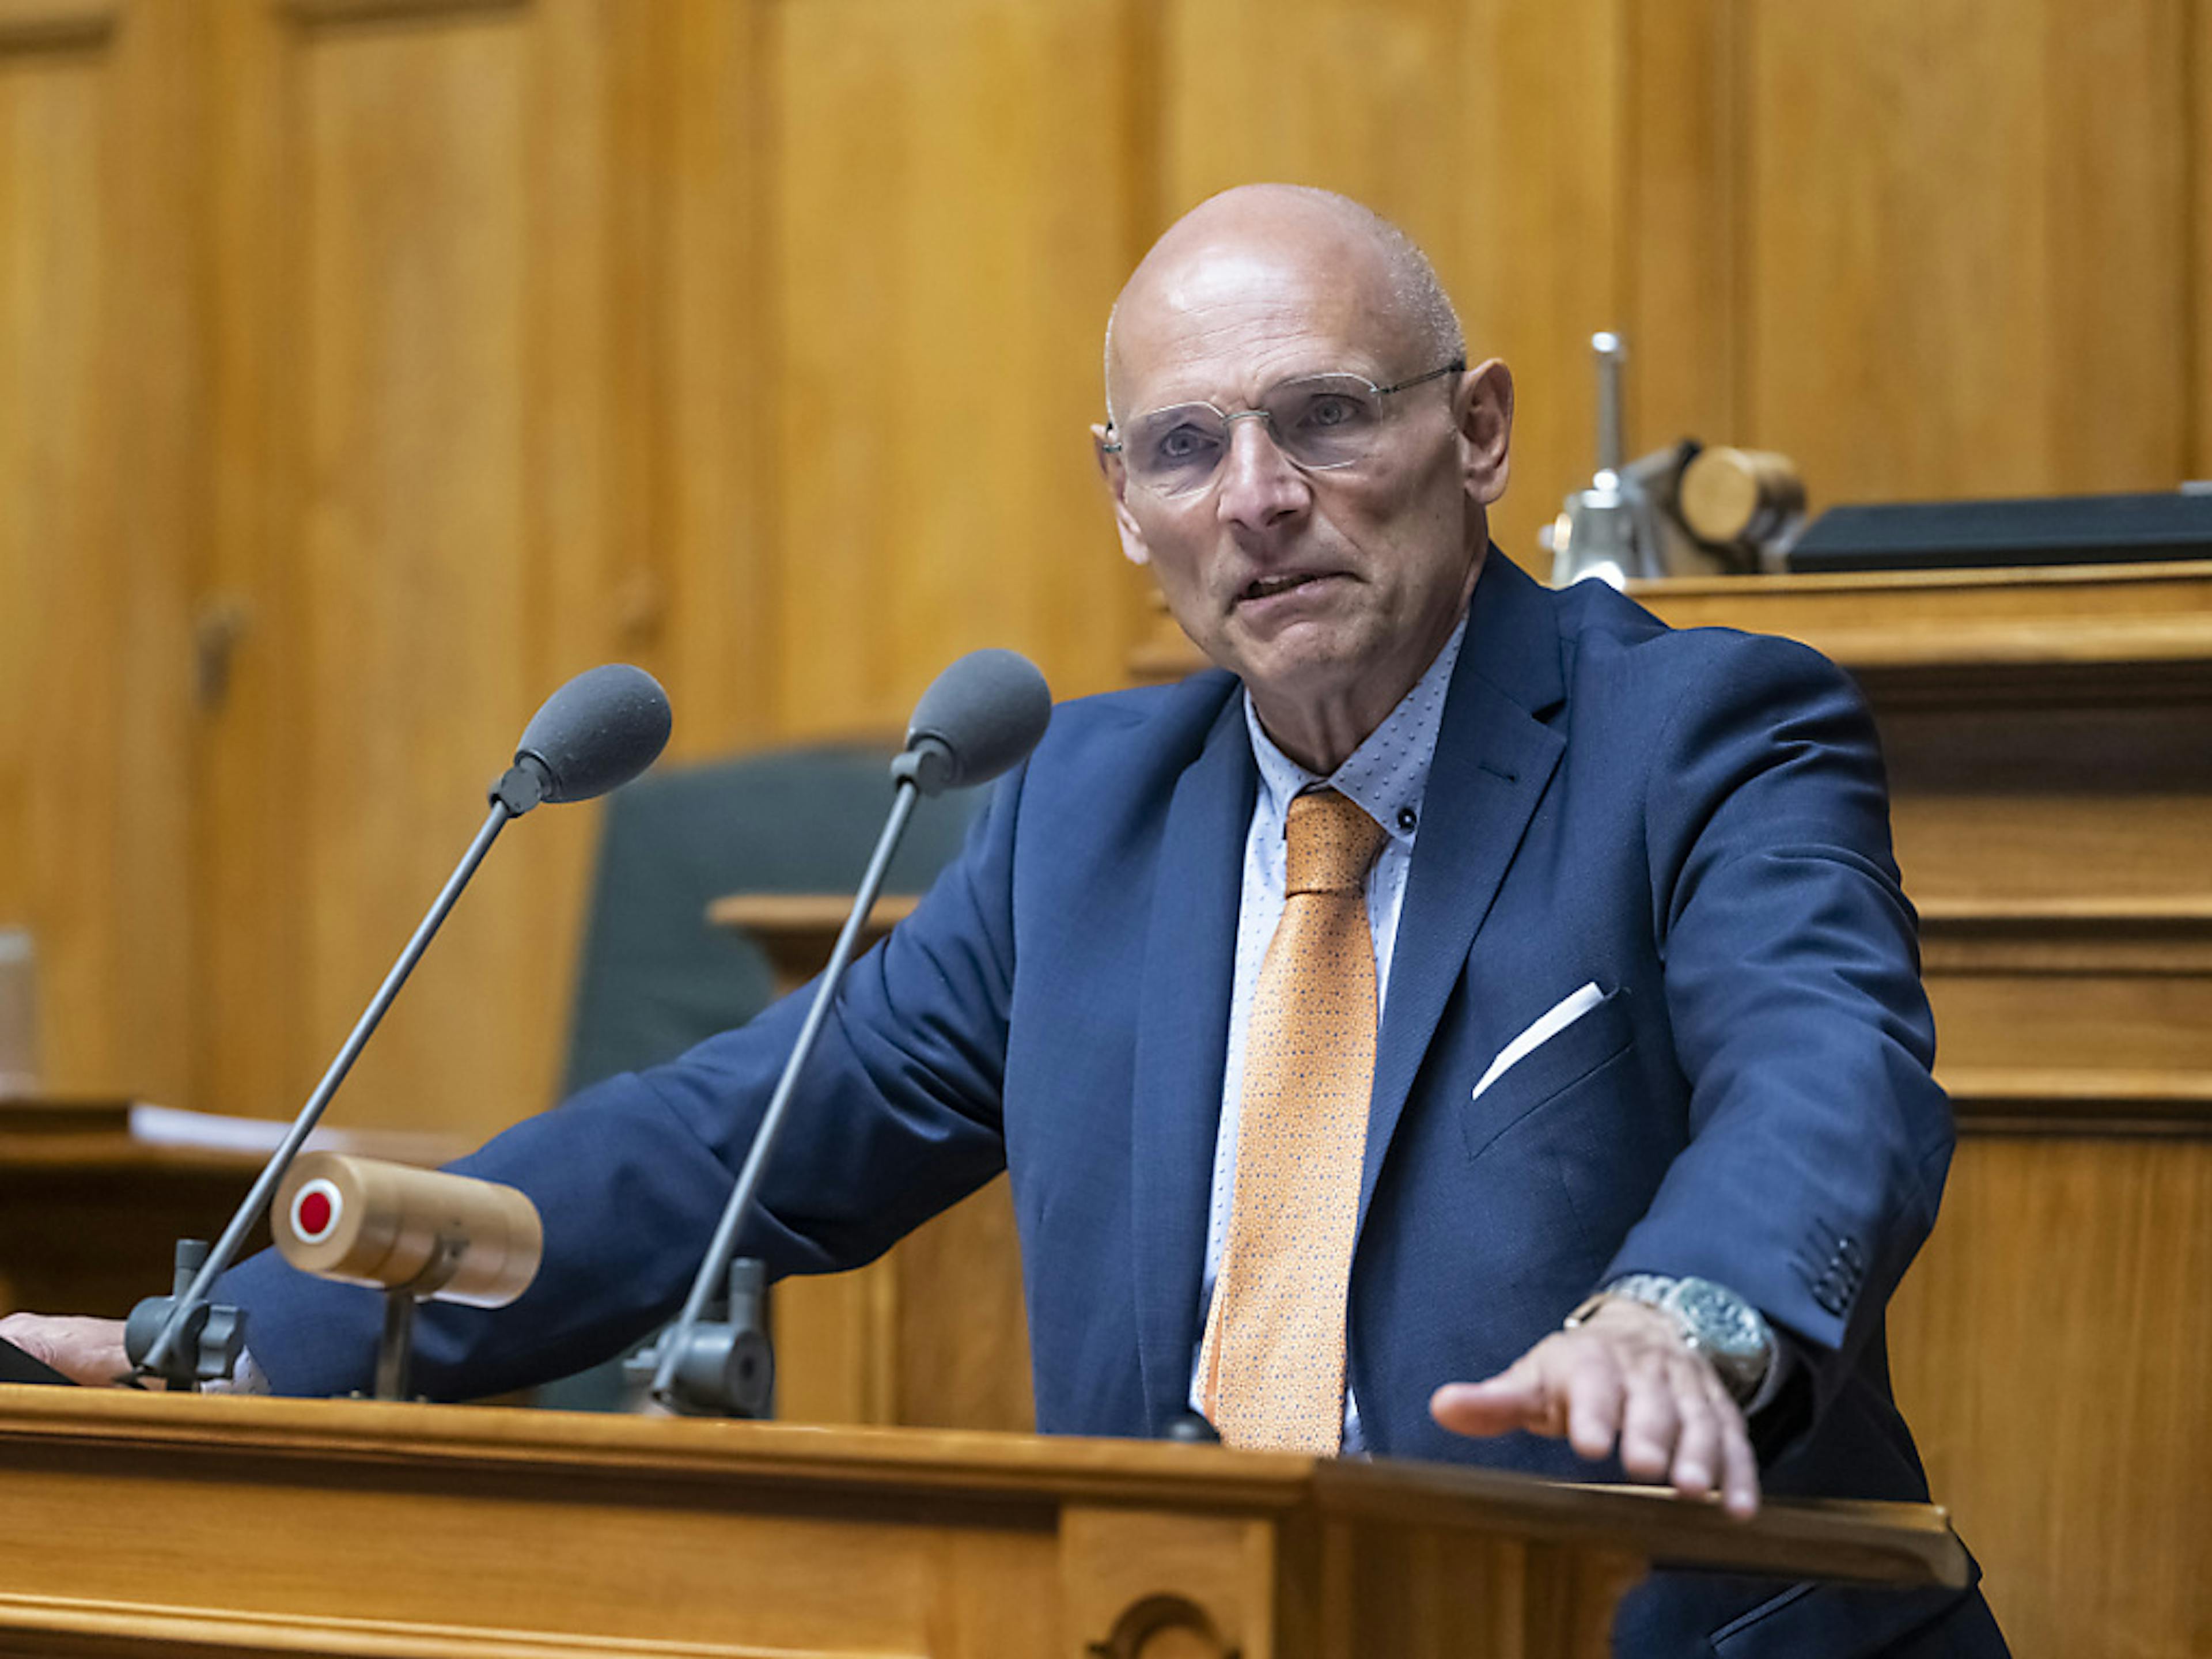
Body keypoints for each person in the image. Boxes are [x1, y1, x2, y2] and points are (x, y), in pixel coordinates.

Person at [5, 185, 2006, 1656]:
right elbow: (731, 1149)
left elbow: (1824, 1073)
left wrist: (1690, 1310)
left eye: (1325, 417)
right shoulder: (1084, 822)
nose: (1259, 498)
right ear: (1123, 506)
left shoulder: (1701, 732)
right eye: (1186, 448)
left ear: (1477, 433)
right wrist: (231, 1342)